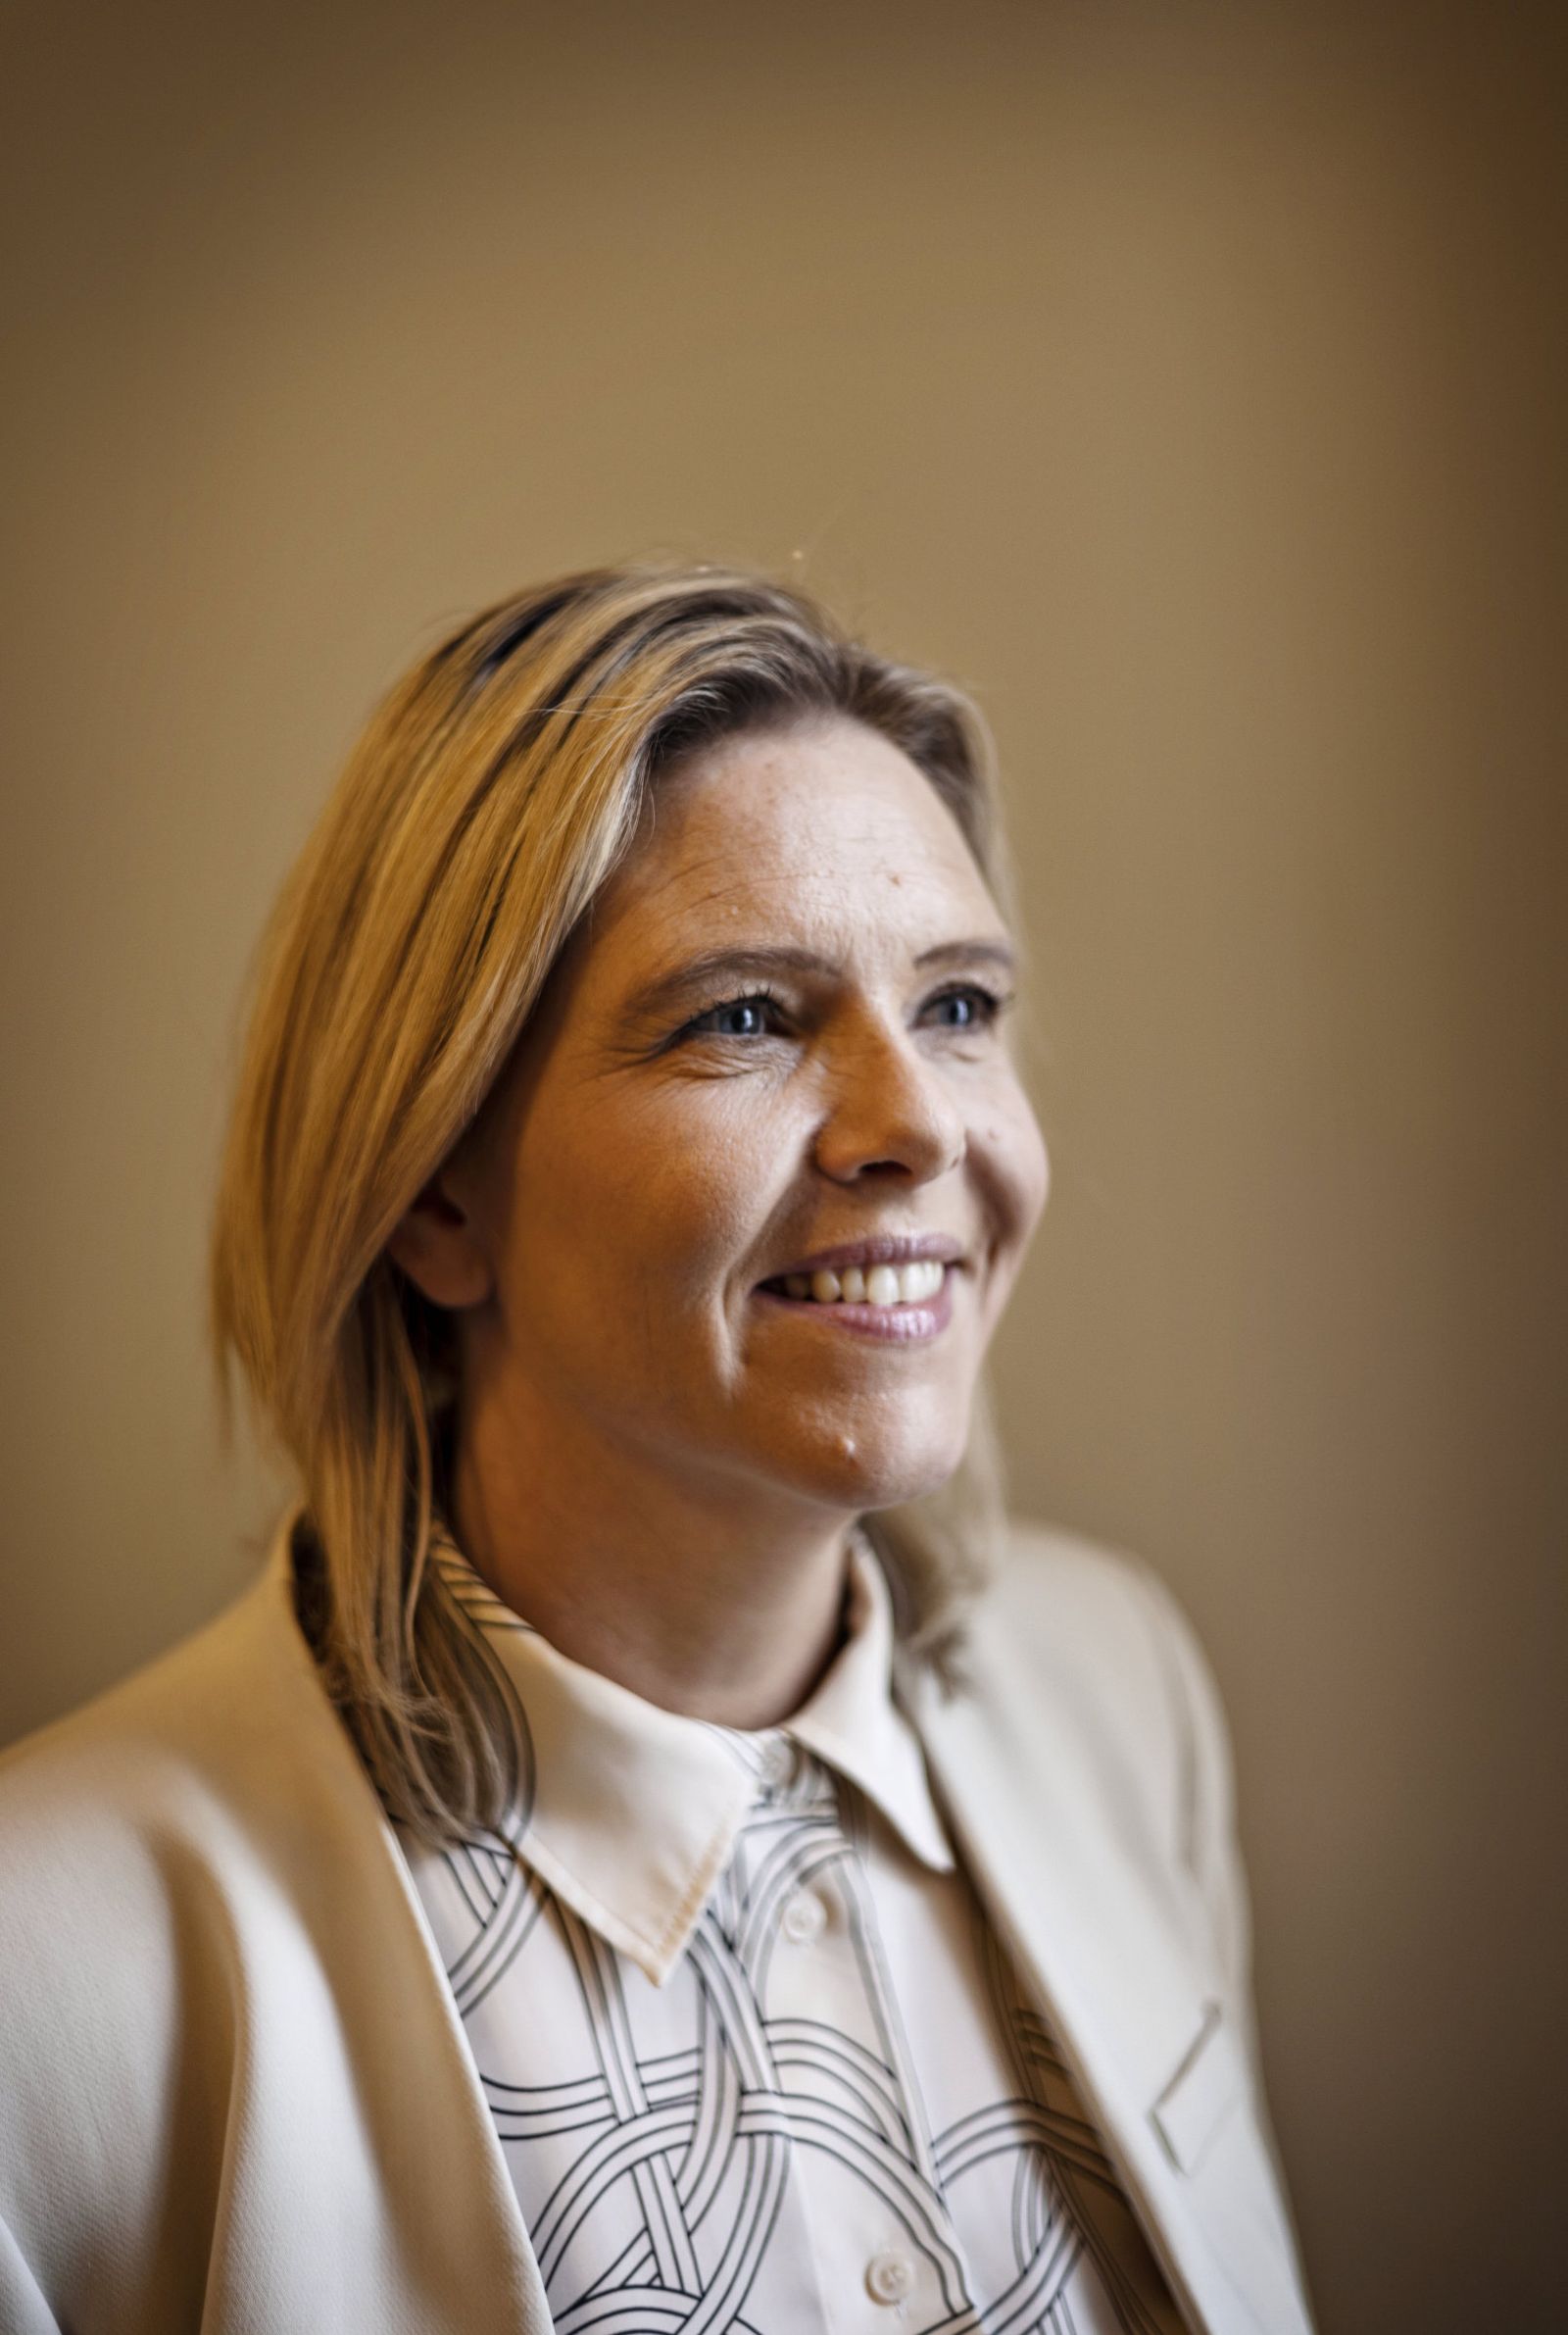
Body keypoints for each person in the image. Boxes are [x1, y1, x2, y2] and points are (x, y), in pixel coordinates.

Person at [0, 564, 1315, 2334]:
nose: (921, 1125)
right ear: (436, 1194)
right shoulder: (42, 1978)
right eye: (747, 1015)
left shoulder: (1121, 1690)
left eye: (957, 1004)